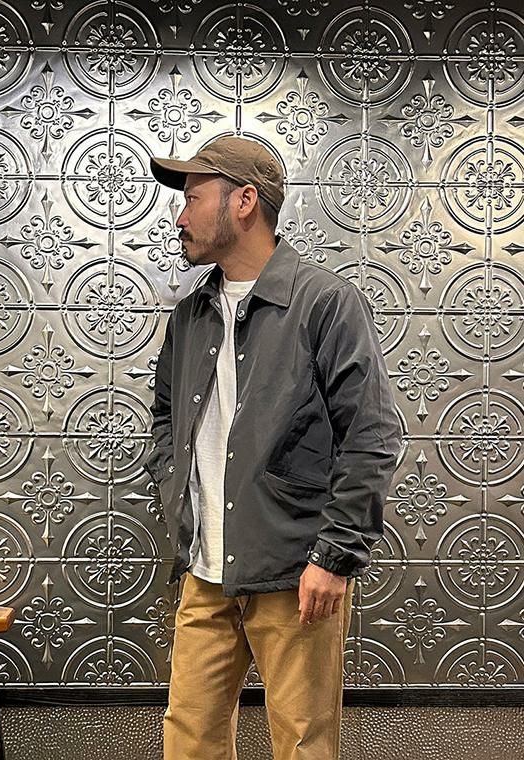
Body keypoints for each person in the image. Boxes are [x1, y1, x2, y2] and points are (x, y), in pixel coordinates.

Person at [144, 135, 403, 760]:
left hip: (295, 573)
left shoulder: (324, 303)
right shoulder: (190, 316)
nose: (179, 216)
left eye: (193, 198)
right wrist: (175, 489)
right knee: (189, 741)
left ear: (243, 202)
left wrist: (335, 555)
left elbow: (370, 436)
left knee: (302, 743)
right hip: (205, 572)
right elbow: (165, 419)